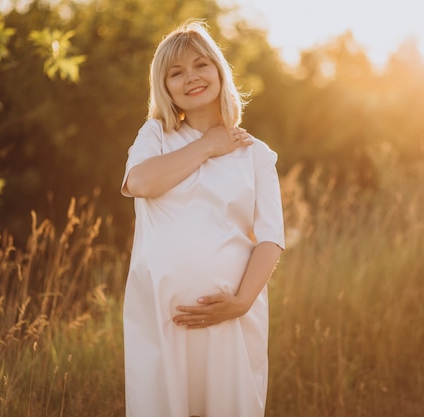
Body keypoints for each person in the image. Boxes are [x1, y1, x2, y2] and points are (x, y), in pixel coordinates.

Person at [120, 19, 285, 417]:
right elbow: (140, 181)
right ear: (165, 86)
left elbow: (270, 239)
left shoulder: (255, 153)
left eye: (200, 65)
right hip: (163, 318)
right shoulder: (156, 135)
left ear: (218, 70)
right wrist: (209, 145)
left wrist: (241, 302)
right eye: (176, 73)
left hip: (228, 316)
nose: (191, 78)